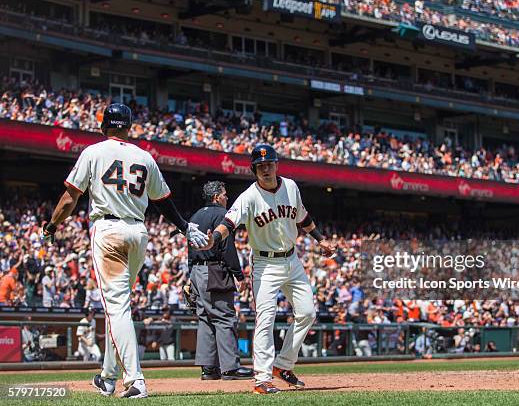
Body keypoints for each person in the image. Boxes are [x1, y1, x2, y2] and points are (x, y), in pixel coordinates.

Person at [40, 103, 209, 398]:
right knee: (115, 307)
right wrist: (184, 227)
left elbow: (70, 197)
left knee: (116, 307)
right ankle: (107, 377)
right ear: (128, 127)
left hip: (109, 232)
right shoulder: (144, 156)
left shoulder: (93, 152)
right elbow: (163, 200)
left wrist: (52, 226)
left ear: (105, 125)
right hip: (138, 233)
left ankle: (135, 380)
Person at [201, 144, 334, 394]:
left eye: (269, 164)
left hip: (292, 260)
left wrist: (320, 239)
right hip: (265, 263)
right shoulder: (249, 196)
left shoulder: (291, 187)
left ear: (276, 165)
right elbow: (228, 223)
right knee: (266, 318)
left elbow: (302, 217)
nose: (265, 169)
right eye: (260, 166)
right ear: (254, 170)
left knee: (307, 313)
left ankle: (282, 365)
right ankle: (262, 378)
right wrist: (214, 239)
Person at [188, 181, 253, 380]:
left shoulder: (195, 215)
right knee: (224, 317)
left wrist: (190, 277)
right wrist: (239, 275)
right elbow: (227, 249)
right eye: (225, 194)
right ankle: (230, 368)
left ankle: (209, 369)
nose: (227, 198)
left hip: (196, 271)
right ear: (217, 197)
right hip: (214, 269)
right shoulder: (221, 216)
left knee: (206, 319)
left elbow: (190, 249)